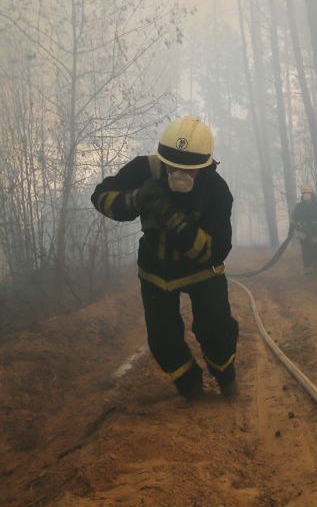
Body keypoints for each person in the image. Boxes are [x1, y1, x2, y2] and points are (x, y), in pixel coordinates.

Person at [91, 115, 237, 400]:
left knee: (216, 331)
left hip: (201, 272)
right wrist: (136, 199)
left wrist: (173, 219)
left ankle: (226, 378)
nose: (178, 174)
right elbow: (101, 197)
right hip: (155, 270)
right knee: (162, 340)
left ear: (204, 166)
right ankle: (190, 388)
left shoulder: (217, 191)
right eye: (172, 167)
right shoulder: (145, 169)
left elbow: (215, 251)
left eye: (189, 170)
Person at [290, 184, 317, 275]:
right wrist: (291, 230)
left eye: (307, 193)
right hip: (303, 234)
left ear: (311, 194)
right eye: (304, 193)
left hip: (316, 233)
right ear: (302, 195)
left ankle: (316, 265)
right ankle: (307, 270)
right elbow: (293, 219)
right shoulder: (299, 207)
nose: (305, 195)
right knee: (306, 252)